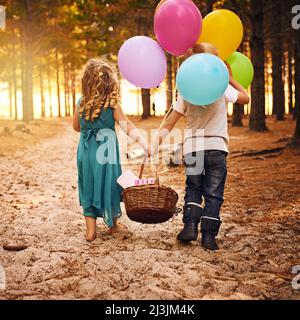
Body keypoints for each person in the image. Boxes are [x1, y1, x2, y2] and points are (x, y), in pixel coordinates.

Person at [150, 43, 250, 251]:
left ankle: (190, 226)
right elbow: (245, 99)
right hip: (217, 148)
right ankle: (208, 236)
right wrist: (230, 78)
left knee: (193, 188)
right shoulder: (222, 86)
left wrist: (155, 143)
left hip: (193, 149)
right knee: (214, 194)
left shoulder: (187, 90)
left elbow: (169, 122)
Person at [73, 59, 148, 242]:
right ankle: (113, 224)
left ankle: (90, 232)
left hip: (86, 152)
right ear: (110, 82)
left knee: (87, 185)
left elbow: (76, 127)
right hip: (107, 155)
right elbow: (127, 126)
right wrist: (143, 142)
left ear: (87, 81)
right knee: (110, 185)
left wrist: (89, 126)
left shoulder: (81, 102)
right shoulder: (112, 103)